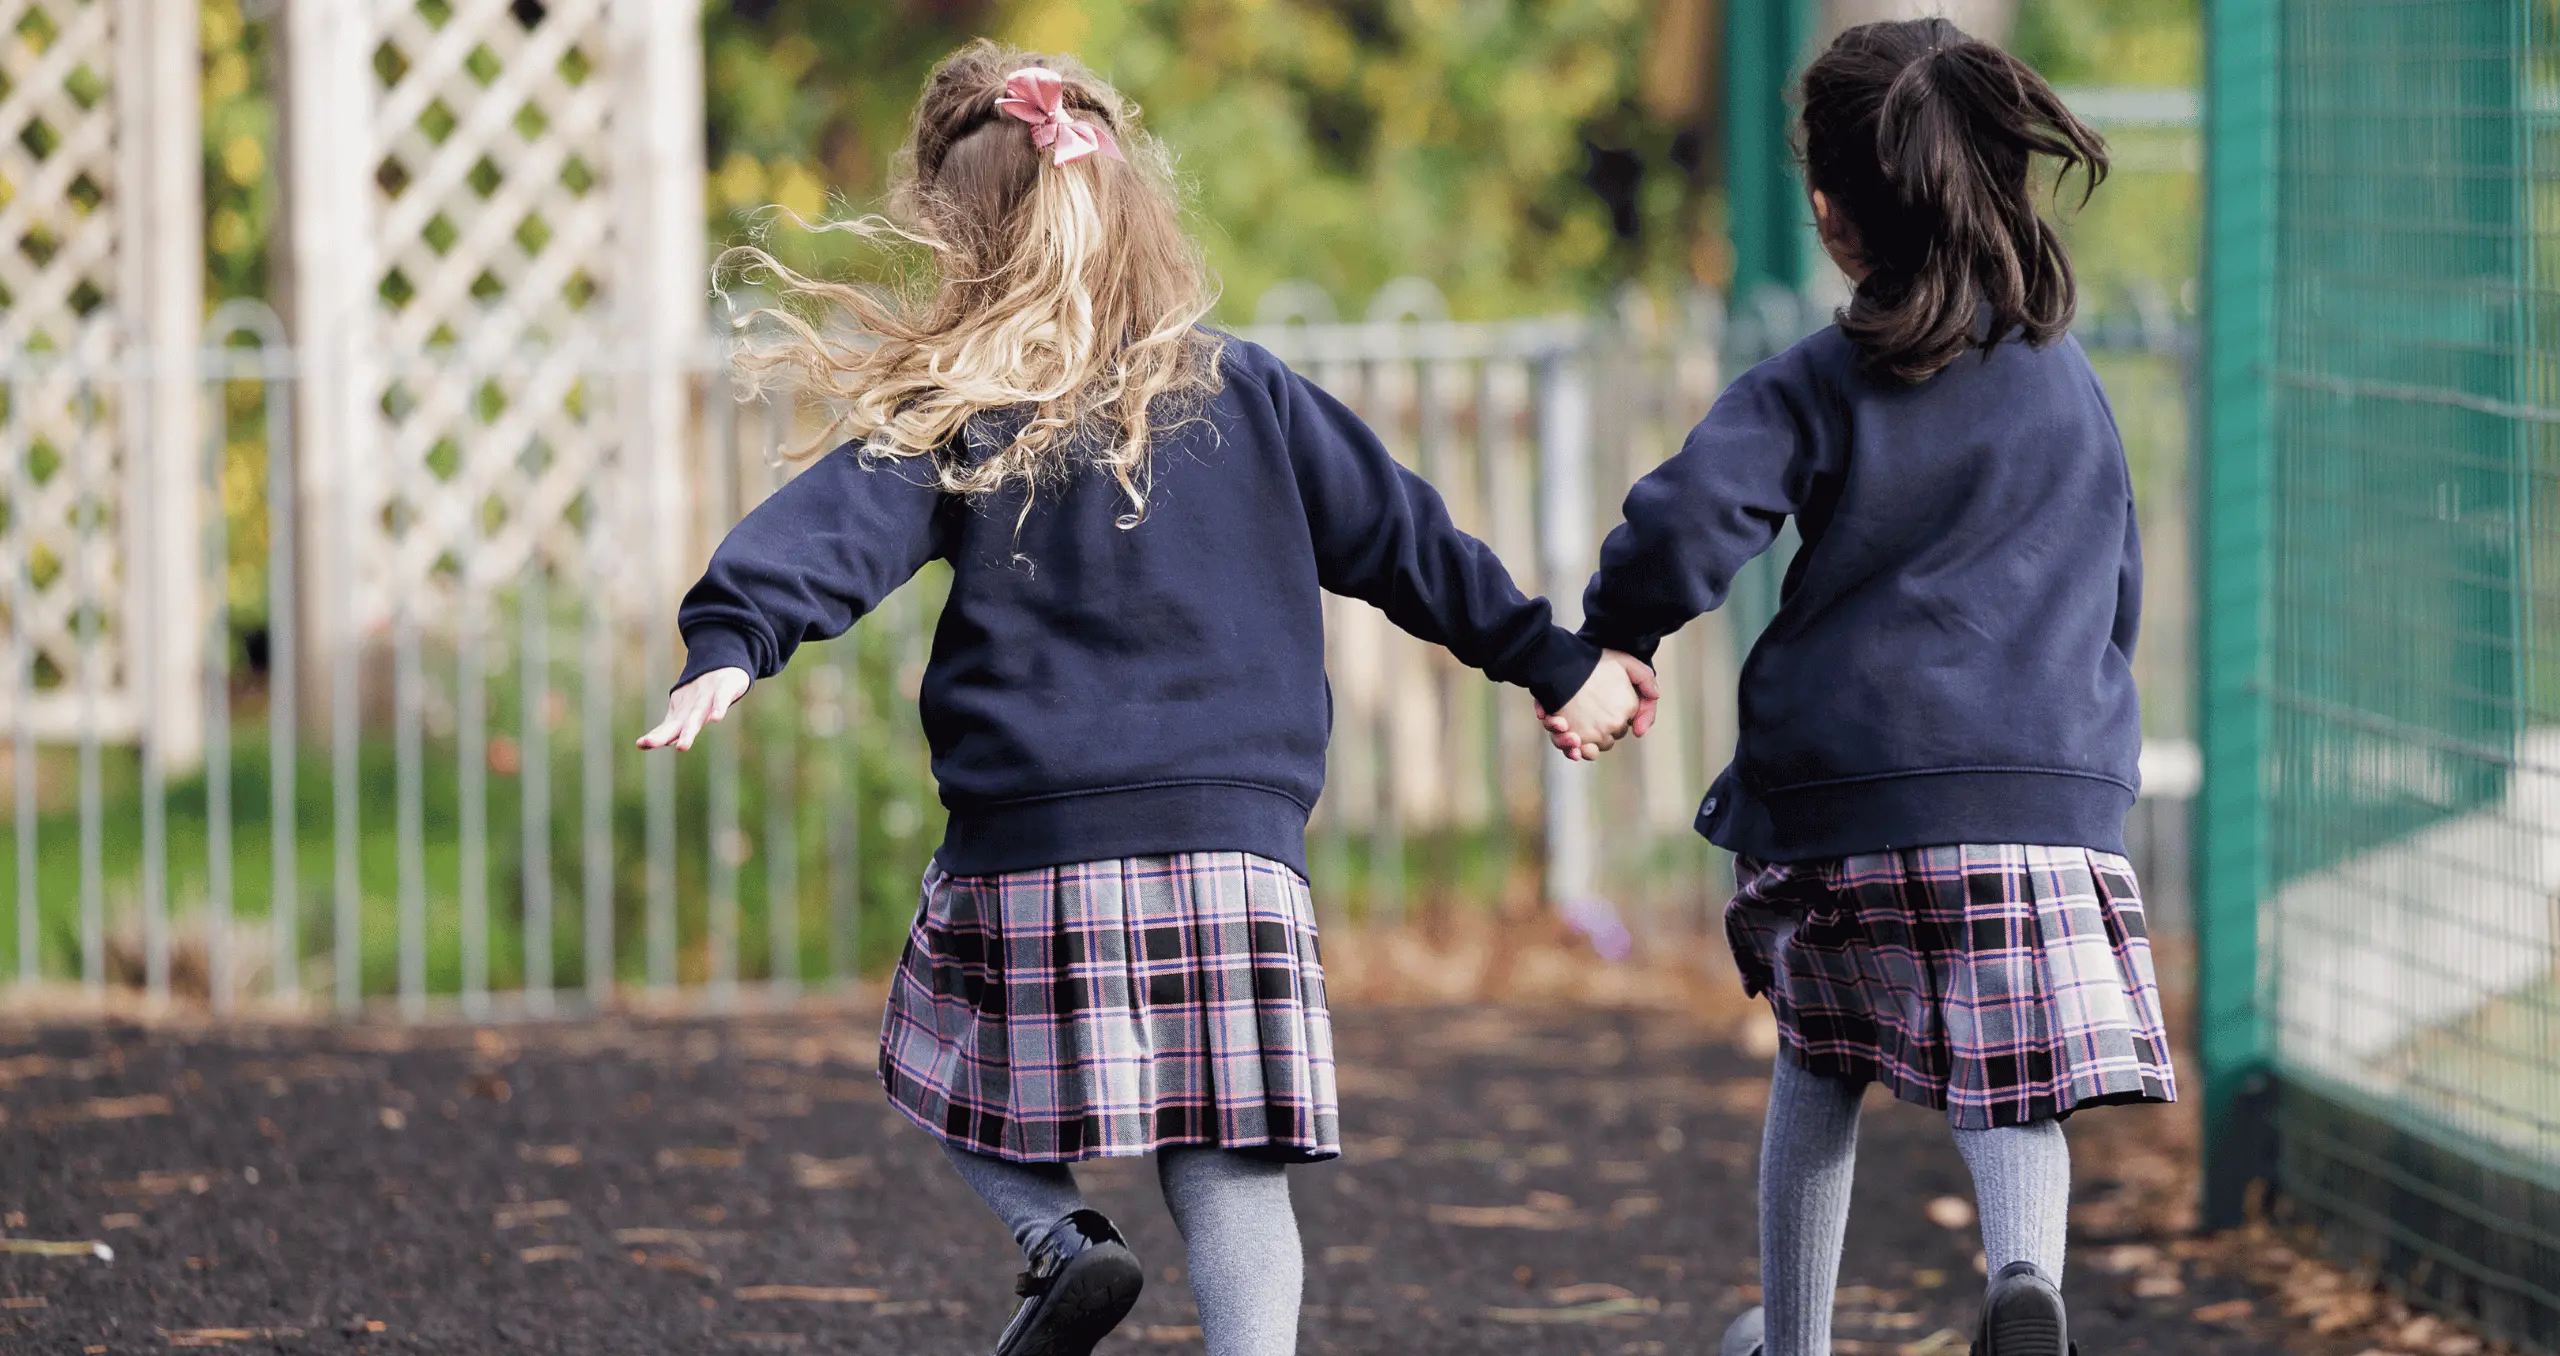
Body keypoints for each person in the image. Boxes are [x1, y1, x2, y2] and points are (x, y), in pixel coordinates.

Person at [639, 41, 1651, 1356]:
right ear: (1135, 216)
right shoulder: (1253, 390)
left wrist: (733, 637)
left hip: (1036, 848)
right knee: (1232, 1164)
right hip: (1237, 853)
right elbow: (1415, 549)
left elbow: (829, 530)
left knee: (930, 1062)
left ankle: (1063, 1242)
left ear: (967, 242)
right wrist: (1554, 662)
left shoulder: (968, 410)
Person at [1545, 18, 2174, 1356]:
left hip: (1847, 804)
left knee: (1822, 1063)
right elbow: (2119, 585)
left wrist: (1622, 637)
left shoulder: (1819, 384)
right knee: (2013, 1087)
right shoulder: (2072, 391)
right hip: (2038, 799)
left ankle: (1797, 1339)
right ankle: (2023, 1282)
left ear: (1831, 212)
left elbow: (1682, 525)